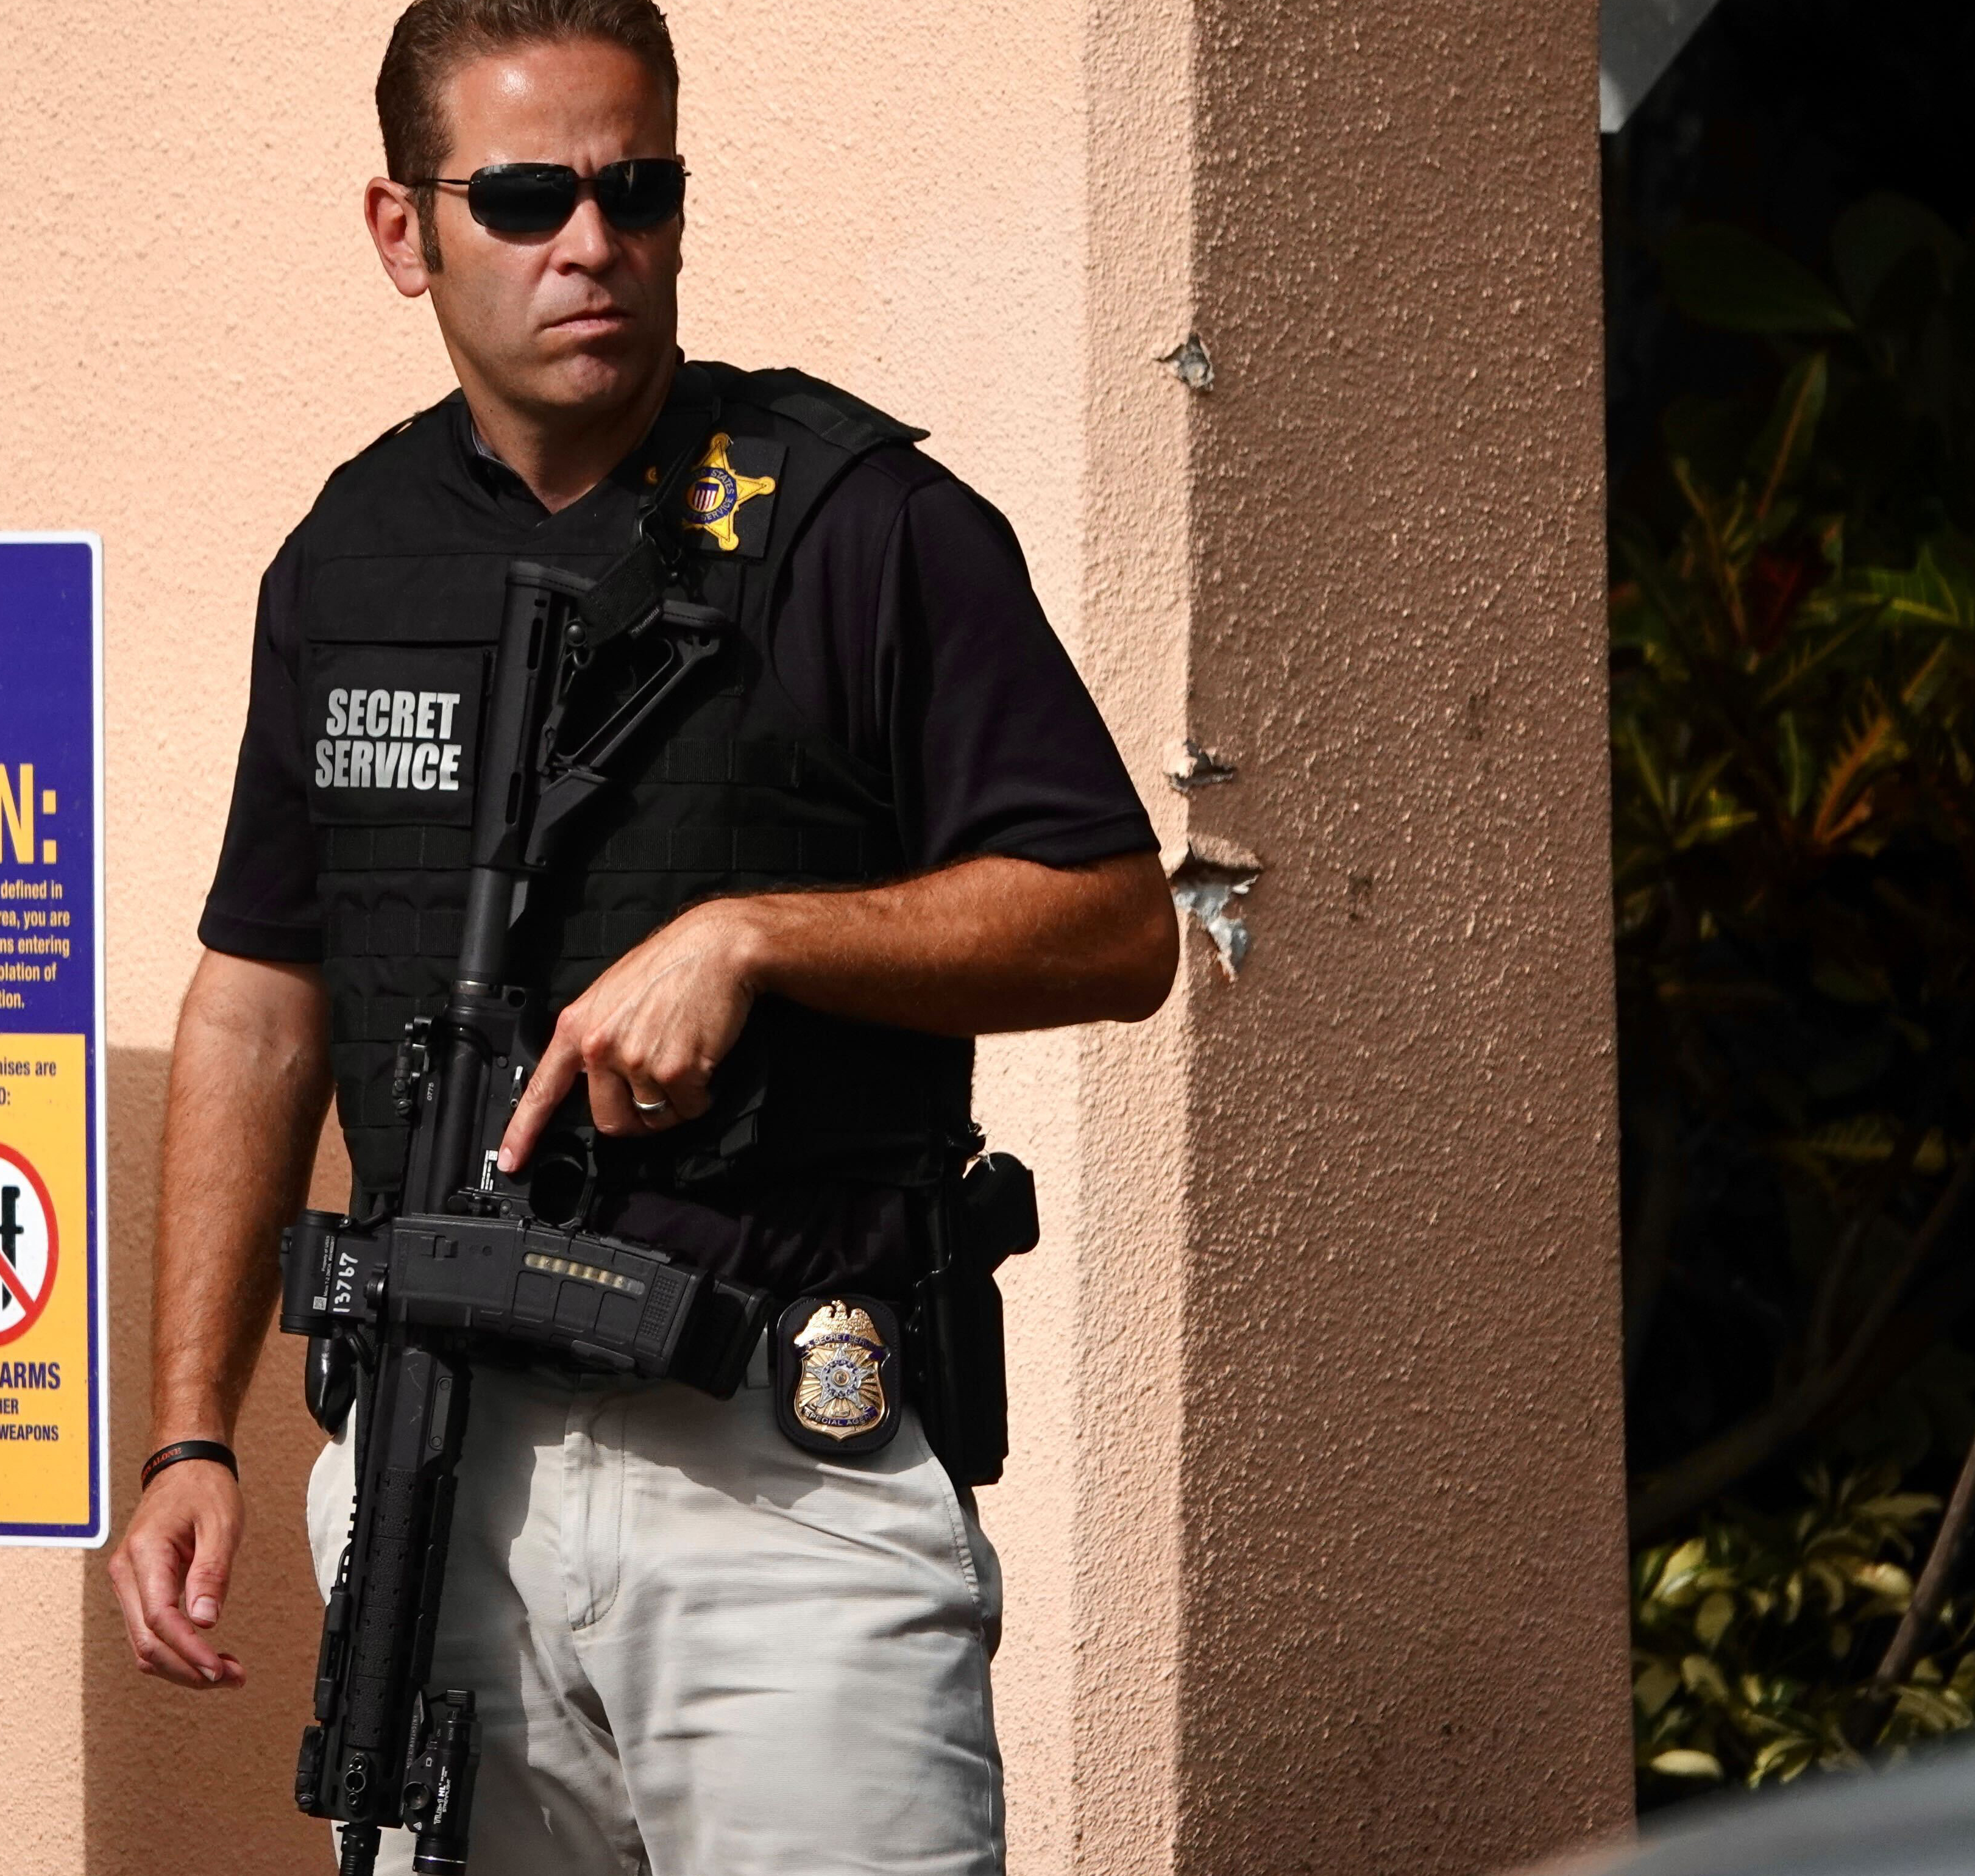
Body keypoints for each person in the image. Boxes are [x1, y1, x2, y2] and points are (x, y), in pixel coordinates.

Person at [105, 1, 1175, 1868]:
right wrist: (191, 1428)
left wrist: (761, 936)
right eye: (524, 196)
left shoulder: (864, 527)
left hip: (783, 1479)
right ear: (402, 230)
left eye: (637, 188)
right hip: (440, 1471)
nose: (590, 243)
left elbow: (1111, 922)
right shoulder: (347, 560)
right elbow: (266, 996)